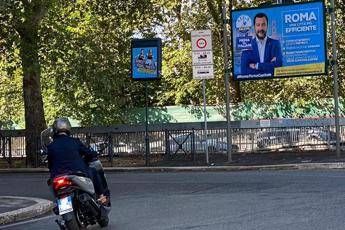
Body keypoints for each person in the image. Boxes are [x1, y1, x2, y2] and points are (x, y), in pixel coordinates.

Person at [47, 117, 109, 205]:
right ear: (68, 128)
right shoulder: (74, 142)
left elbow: (50, 164)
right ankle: (101, 196)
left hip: (57, 176)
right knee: (94, 171)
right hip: (76, 172)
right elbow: (89, 153)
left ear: (55, 129)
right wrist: (94, 153)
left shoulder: (51, 146)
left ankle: (62, 206)